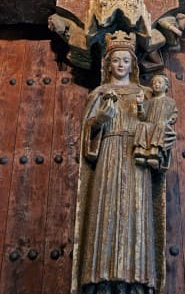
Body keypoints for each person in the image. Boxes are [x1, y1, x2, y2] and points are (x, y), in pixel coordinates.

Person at [75, 32, 171, 294]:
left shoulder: (145, 94)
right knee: (106, 211)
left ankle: (138, 278)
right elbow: (88, 135)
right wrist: (100, 121)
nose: (120, 65)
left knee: (136, 211)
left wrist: (162, 136)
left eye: (125, 61)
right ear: (108, 65)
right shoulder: (100, 93)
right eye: (115, 60)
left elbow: (157, 126)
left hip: (136, 159)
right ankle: (101, 278)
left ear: (132, 64)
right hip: (109, 155)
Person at [135, 74, 177, 169]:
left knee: (160, 126)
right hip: (150, 124)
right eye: (154, 83)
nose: (156, 85)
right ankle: (141, 153)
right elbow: (142, 117)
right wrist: (140, 104)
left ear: (166, 86)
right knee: (142, 125)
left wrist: (169, 121)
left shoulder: (170, 101)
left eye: (159, 82)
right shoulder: (149, 102)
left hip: (162, 125)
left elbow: (174, 114)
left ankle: (155, 154)